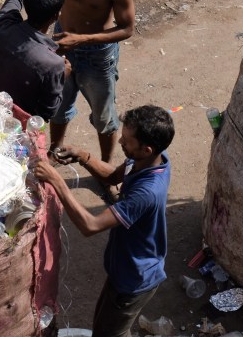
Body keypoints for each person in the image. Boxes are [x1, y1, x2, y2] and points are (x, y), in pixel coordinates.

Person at [32, 105, 174, 337]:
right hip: (124, 270)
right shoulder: (149, 161)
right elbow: (113, 176)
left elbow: (91, 225)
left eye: (127, 141)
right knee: (107, 328)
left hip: (134, 279)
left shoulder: (147, 192)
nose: (121, 142)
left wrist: (57, 182)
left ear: (147, 149)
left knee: (108, 333)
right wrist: (83, 156)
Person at [35, 0, 135, 174]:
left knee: (104, 118)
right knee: (58, 106)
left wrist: (81, 40)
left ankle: (104, 169)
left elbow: (126, 29)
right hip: (62, 44)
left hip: (97, 56)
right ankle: (54, 152)